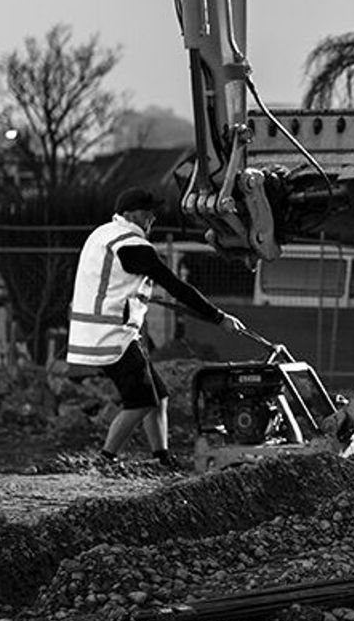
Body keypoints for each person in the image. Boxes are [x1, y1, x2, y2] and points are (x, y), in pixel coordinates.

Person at [67, 186, 250, 470]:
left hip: (98, 332)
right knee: (140, 402)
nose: (152, 216)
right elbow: (176, 286)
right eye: (146, 212)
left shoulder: (102, 234)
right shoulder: (133, 245)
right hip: (112, 336)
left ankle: (162, 457)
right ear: (129, 214)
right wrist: (218, 317)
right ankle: (104, 461)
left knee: (159, 396)